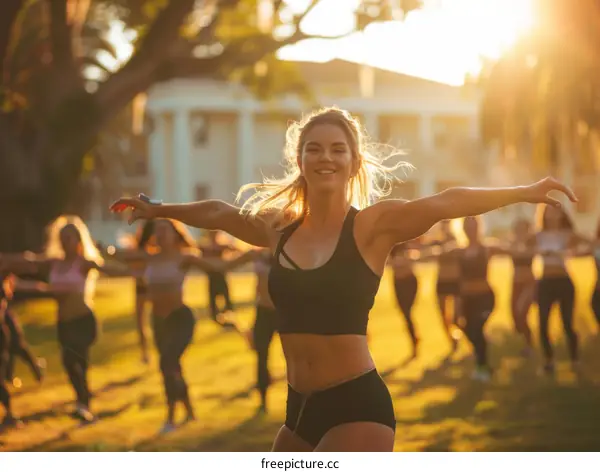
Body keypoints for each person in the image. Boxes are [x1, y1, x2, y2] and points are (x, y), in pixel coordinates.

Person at [111, 106, 576, 452]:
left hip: (358, 407)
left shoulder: (372, 228)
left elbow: (447, 202)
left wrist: (525, 192)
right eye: (314, 149)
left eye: (338, 149)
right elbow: (219, 213)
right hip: (299, 412)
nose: (325, 157)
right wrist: (159, 209)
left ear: (354, 161)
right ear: (300, 160)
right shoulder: (278, 228)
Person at [110, 218, 256, 434]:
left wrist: (248, 254)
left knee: (167, 363)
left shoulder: (185, 257)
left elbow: (220, 266)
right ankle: (189, 410)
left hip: (181, 319)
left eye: (165, 230)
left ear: (175, 234)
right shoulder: (147, 258)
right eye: (157, 231)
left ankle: (171, 417)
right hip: (159, 321)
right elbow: (116, 263)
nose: (160, 234)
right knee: (172, 367)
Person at [0, 215, 130, 423]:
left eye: (70, 237)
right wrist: (8, 263)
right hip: (64, 323)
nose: (66, 241)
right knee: (70, 364)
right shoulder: (54, 262)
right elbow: (28, 260)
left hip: (83, 320)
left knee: (76, 360)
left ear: (79, 239)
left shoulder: (84, 263)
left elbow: (108, 268)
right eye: (63, 237)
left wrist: (131, 267)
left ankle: (83, 404)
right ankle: (84, 403)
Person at [533, 204, 589, 374]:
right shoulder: (539, 235)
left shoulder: (567, 234)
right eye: (549, 211)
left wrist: (571, 252)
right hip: (545, 282)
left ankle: (575, 359)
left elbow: (588, 243)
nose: (552, 214)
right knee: (543, 324)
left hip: (563, 281)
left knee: (567, 323)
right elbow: (518, 245)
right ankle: (549, 360)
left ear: (560, 213)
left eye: (555, 210)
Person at [247, 249, 278, 413]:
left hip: (287, 311)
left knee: (299, 356)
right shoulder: (257, 254)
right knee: (261, 355)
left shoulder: (292, 249)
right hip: (263, 312)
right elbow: (258, 287)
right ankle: (263, 400)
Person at [507, 218, 536, 354]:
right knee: (514, 314)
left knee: (521, 311)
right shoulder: (512, 243)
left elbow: (528, 252)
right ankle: (525, 339)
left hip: (529, 283)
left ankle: (529, 344)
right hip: (515, 282)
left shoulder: (532, 242)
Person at [198, 230, 238, 329]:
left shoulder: (221, 246)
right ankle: (219, 321)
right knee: (213, 303)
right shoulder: (205, 247)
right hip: (212, 278)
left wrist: (228, 263)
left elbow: (236, 250)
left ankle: (228, 320)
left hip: (221, 276)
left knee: (227, 301)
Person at [389, 241, 420, 359]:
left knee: (407, 312)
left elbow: (413, 254)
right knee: (405, 314)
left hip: (409, 281)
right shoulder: (388, 244)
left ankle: (414, 342)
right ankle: (414, 340)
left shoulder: (404, 240)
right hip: (398, 283)